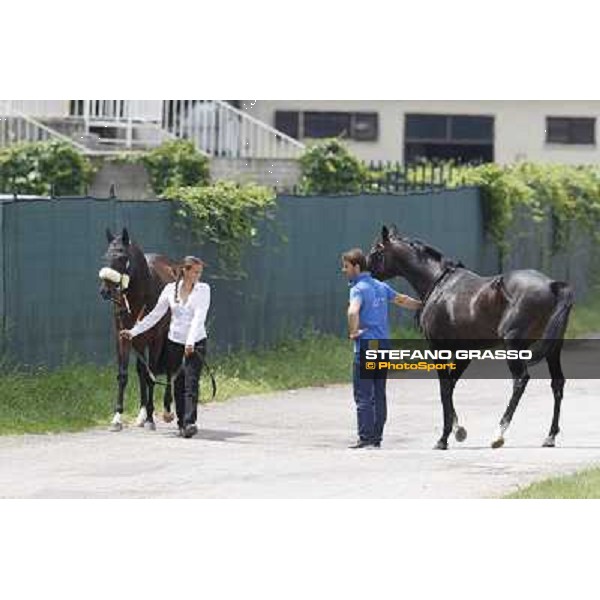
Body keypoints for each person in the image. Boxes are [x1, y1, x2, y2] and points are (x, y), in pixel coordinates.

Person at [120, 255, 210, 438]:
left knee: (191, 382)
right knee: (178, 382)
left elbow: (199, 317)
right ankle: (181, 424)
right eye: (195, 272)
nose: (198, 276)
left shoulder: (203, 290)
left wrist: (191, 342)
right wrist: (134, 331)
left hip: (196, 342)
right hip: (175, 342)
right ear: (185, 271)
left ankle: (189, 422)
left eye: (200, 273)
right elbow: (155, 315)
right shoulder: (170, 290)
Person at [341, 248, 422, 449]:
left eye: (346, 266)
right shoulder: (380, 286)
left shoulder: (358, 288)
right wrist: (424, 305)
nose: (344, 270)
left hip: (367, 346)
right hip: (383, 347)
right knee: (379, 393)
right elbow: (402, 300)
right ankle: (376, 437)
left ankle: (366, 437)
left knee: (363, 395)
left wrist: (353, 332)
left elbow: (352, 312)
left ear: (357, 267)